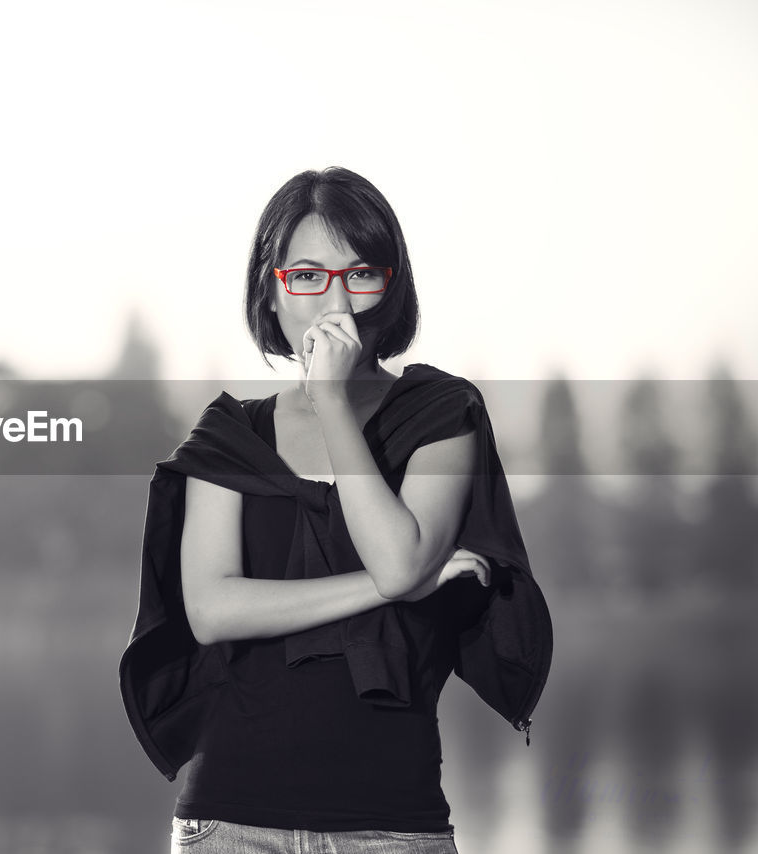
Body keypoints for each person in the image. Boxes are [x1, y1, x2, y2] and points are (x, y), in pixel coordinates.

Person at [118, 167, 552, 853]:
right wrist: (393, 587)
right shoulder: (231, 433)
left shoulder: (441, 412)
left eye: (360, 274)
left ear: (391, 285)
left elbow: (400, 557)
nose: (336, 300)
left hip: (390, 826)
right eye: (309, 275)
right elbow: (211, 608)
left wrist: (330, 401)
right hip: (227, 823)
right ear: (272, 284)